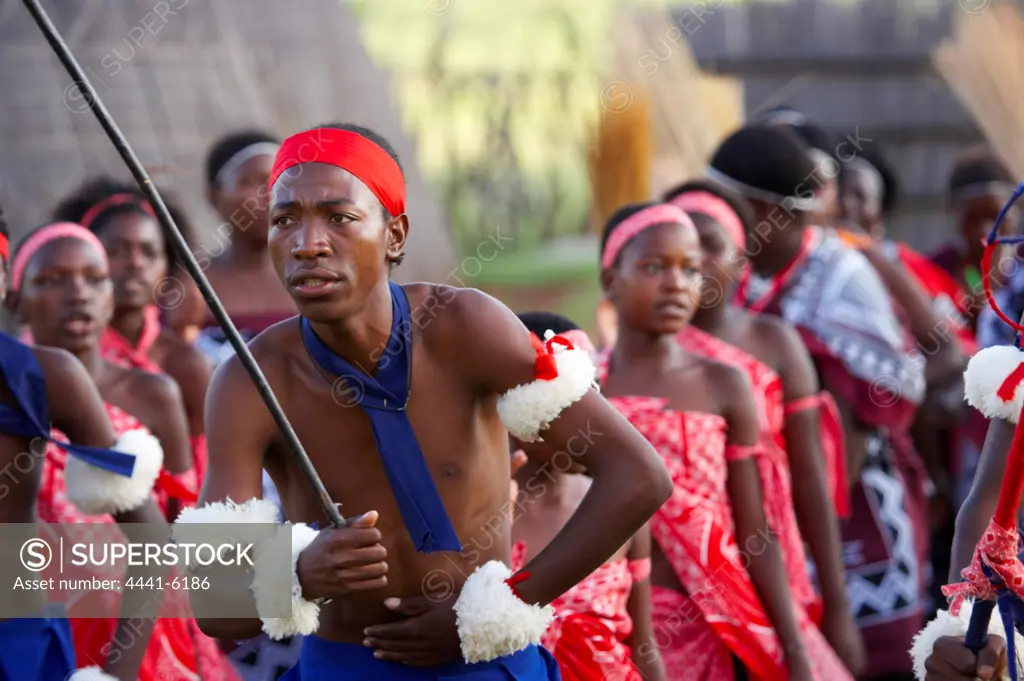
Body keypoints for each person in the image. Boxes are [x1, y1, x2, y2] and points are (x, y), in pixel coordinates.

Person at [172, 122, 672, 680]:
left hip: (489, 662)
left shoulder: (467, 327)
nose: (307, 243)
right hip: (346, 666)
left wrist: (499, 608)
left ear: (395, 236)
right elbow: (214, 603)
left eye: (339, 218)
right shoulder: (250, 380)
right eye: (284, 219)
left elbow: (639, 475)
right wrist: (299, 573)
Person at [707, 125, 928, 680]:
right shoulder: (737, 274)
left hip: (850, 505)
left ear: (758, 210)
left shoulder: (840, 273)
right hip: (770, 509)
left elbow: (893, 386)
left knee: (864, 655)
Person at [596, 200, 850, 680]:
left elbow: (755, 531)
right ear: (611, 280)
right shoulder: (590, 387)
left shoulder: (724, 384)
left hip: (717, 623)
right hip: (622, 623)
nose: (676, 283)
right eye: (653, 267)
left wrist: (793, 648)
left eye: (689, 269)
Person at [9, 222, 239, 681]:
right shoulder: (12, 390)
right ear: (15, 302)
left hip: (139, 623)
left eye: (95, 280)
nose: (78, 295)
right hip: (34, 613)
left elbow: (178, 528)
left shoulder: (154, 393)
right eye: (51, 281)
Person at [663, 179, 864, 676]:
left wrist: (837, 607)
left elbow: (811, 480)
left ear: (741, 259)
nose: (695, 263)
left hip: (768, 557)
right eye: (679, 247)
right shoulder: (643, 360)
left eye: (711, 246)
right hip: (678, 585)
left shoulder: (774, 343)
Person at [510, 310, 666, 681]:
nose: (595, 420)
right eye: (572, 394)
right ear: (513, 399)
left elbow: (643, 645)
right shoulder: (470, 515)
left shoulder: (620, 508)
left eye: (597, 390)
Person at [51, 178, 212, 494]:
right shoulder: (52, 355)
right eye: (117, 251)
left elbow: (202, 477)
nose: (136, 264)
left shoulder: (185, 363)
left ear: (167, 265)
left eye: (149, 252)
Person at [196, 129, 296, 366]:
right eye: (251, 182)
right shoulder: (188, 285)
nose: (269, 195)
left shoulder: (318, 277)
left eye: (279, 181)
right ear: (214, 195)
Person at [930, 150, 1019, 332]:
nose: (985, 230)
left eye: (995, 216)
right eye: (973, 219)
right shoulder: (936, 270)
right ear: (955, 217)